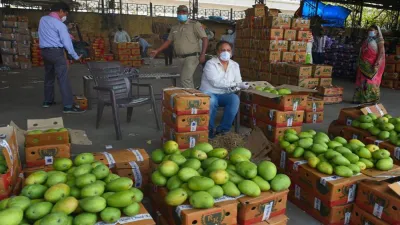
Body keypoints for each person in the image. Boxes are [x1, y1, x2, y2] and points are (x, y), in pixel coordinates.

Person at [38, 2, 85, 113]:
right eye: (65, 13)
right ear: (60, 11)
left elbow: (50, 33)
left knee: (49, 76)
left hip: (45, 52)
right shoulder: (60, 25)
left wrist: (67, 34)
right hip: (56, 53)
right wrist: (75, 56)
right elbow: (67, 43)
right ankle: (68, 106)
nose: (65, 16)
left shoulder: (43, 20)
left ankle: (47, 101)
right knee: (63, 78)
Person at [199, 41, 249, 138]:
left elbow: (239, 81)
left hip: (225, 94)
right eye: (223, 50)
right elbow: (216, 82)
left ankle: (223, 130)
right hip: (209, 92)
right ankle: (209, 131)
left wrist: (240, 85)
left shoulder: (235, 65)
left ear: (231, 52)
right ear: (217, 52)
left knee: (234, 99)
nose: (226, 52)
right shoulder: (210, 64)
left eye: (228, 50)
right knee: (212, 101)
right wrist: (237, 84)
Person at [150, 5, 208, 88]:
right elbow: (168, 41)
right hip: (179, 58)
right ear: (177, 14)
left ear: (188, 13)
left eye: (184, 12)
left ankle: (189, 98)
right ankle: (191, 96)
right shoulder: (174, 27)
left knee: (185, 79)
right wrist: (157, 50)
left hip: (192, 56)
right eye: (179, 12)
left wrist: (203, 54)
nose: (182, 14)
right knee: (186, 79)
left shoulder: (195, 25)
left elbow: (205, 39)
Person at [352, 25, 385, 104]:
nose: (370, 32)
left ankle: (371, 99)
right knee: (361, 80)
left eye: (372, 30)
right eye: (369, 30)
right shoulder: (367, 40)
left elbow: (381, 52)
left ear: (377, 32)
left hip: (372, 63)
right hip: (363, 64)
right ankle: (360, 98)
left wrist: (377, 62)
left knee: (370, 81)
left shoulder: (379, 40)